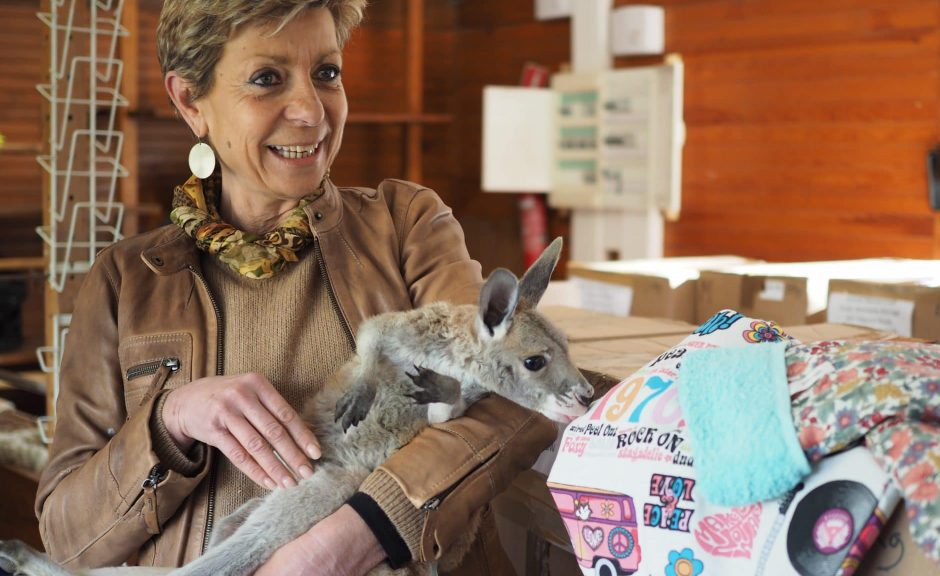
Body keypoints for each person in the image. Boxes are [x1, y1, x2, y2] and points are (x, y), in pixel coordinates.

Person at [33, 1, 557, 574]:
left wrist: (358, 534)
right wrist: (169, 420)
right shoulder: (125, 282)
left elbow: (514, 398)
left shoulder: (406, 224)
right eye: (266, 79)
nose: (311, 110)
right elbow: (67, 537)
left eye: (327, 73)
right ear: (190, 101)